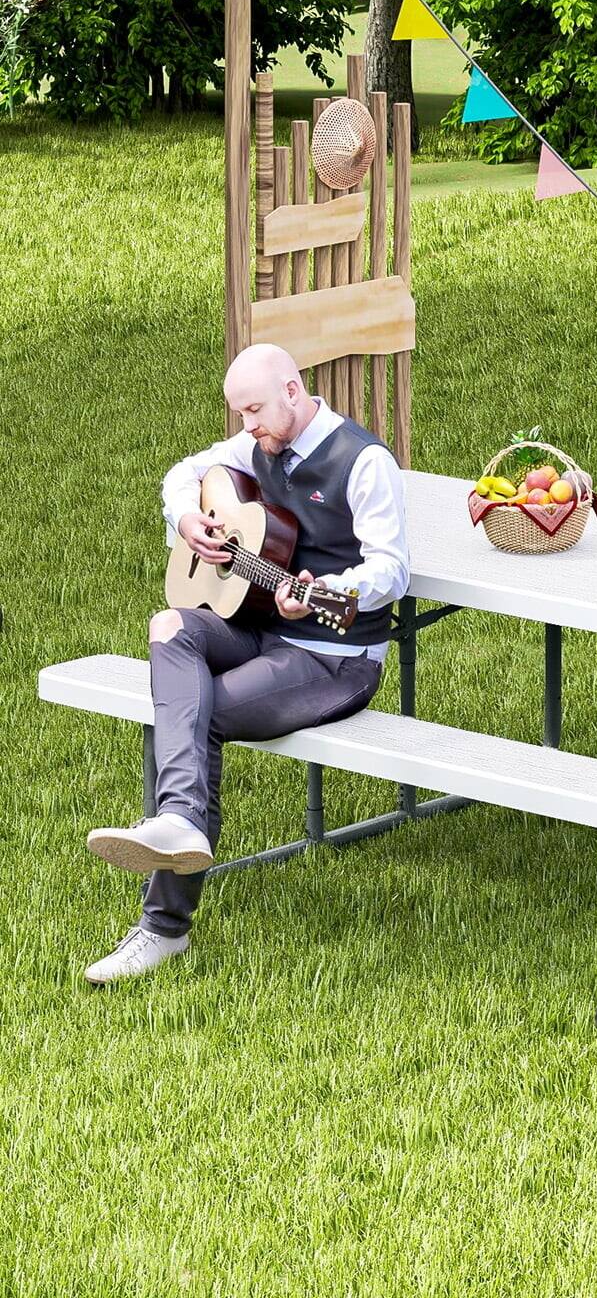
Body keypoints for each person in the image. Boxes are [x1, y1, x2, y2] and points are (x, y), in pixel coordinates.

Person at [83, 344, 409, 985]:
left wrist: (331, 589)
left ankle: (164, 924)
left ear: (293, 390)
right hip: (261, 631)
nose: (247, 425)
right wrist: (187, 519)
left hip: (334, 657)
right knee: (170, 625)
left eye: (254, 410)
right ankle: (180, 822)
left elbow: (391, 570)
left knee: (193, 712)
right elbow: (184, 473)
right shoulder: (257, 442)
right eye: (239, 414)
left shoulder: (364, 461)